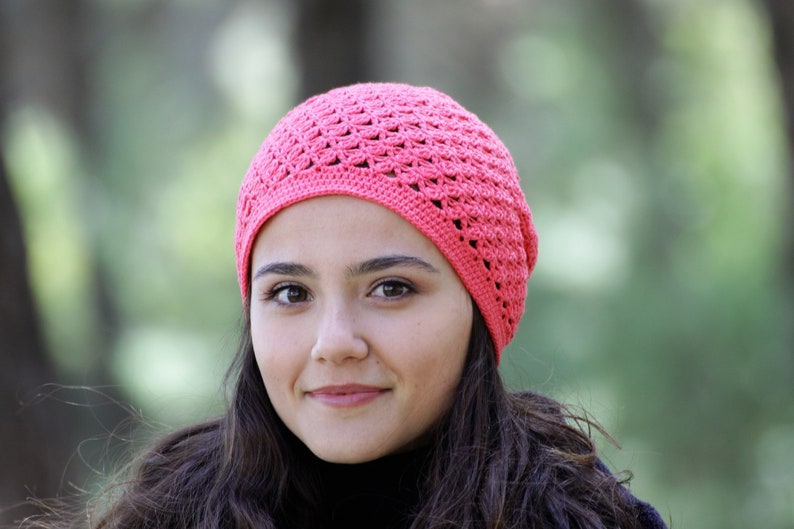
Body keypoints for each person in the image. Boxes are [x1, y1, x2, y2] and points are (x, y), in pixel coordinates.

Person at [32, 83, 667, 529]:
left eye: (391, 288)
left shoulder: (583, 518)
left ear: (483, 308)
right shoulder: (167, 517)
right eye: (290, 293)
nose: (333, 341)